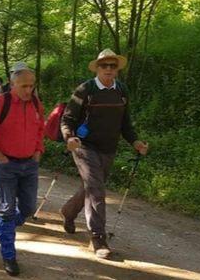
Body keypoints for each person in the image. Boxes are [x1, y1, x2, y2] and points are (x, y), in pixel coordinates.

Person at [60, 49, 149, 260]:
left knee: (91, 187)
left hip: (109, 148)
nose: (108, 69)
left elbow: (125, 122)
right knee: (97, 189)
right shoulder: (85, 89)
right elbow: (67, 119)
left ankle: (68, 212)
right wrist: (69, 137)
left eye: (112, 66)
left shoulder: (122, 90)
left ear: (117, 69)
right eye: (104, 66)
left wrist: (135, 142)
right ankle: (98, 238)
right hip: (84, 147)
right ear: (97, 68)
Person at [0, 66, 45, 276]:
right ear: (12, 84)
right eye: (24, 85)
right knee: (7, 210)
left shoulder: (35, 103)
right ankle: (9, 255)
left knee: (28, 209)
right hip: (7, 165)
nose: (28, 90)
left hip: (29, 165)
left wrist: (38, 151)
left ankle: (2, 226)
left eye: (31, 85)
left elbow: (40, 128)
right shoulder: (1, 102)